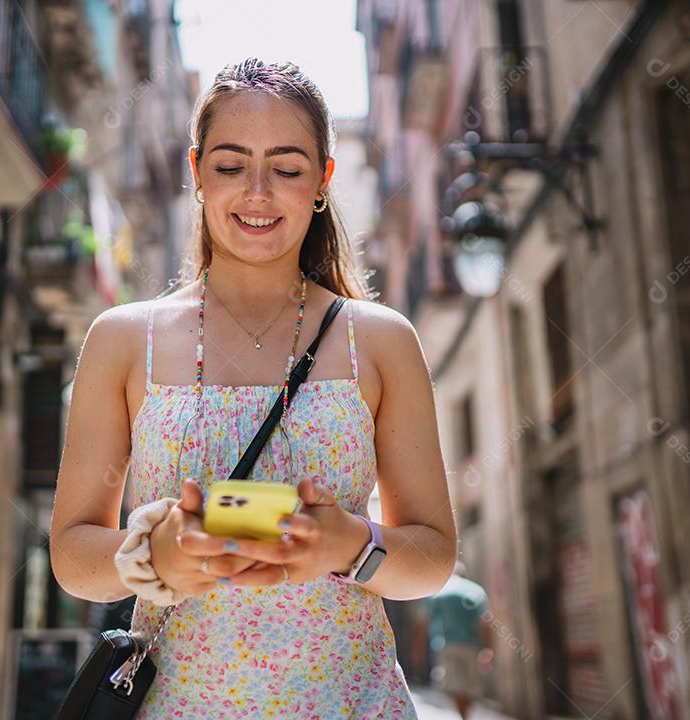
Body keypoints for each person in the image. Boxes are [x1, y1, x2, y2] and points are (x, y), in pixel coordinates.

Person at [49, 57, 456, 719]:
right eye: (232, 165)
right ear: (196, 172)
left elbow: (433, 556)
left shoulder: (381, 341)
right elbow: (71, 553)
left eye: (288, 168)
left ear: (322, 180)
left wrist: (348, 545)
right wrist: (151, 558)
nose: (258, 193)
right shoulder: (123, 339)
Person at [420, 562, 493, 719]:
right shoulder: (475, 591)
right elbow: (486, 624)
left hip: (447, 646)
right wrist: (488, 649)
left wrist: (418, 649)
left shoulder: (438, 593)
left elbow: (424, 622)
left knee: (455, 686)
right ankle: (465, 714)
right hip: (472, 647)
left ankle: (463, 715)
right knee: (470, 686)